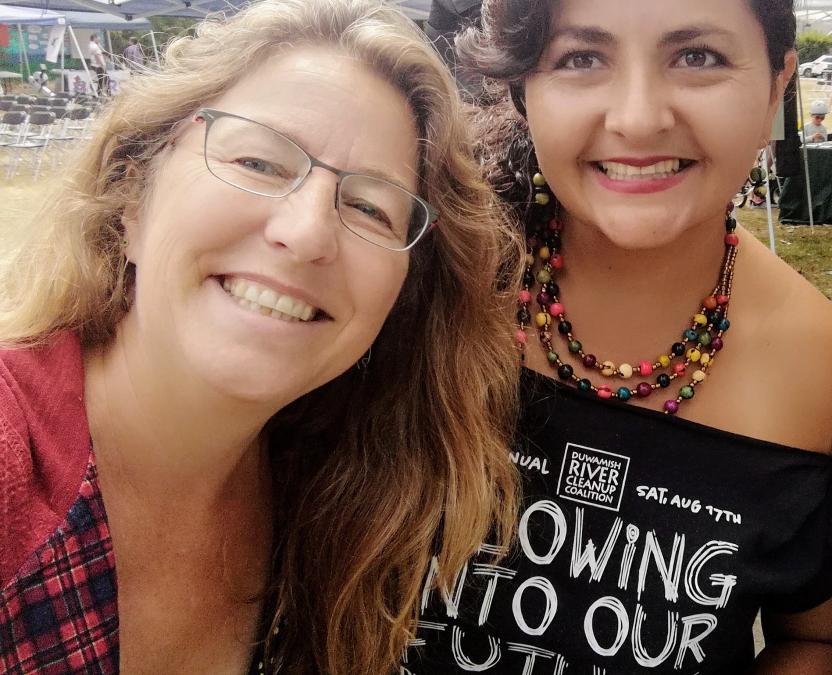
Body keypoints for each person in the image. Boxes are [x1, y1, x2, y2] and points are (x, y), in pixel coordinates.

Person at [0, 0, 522, 673]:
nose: (305, 233)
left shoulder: (343, 502)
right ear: (132, 193)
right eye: (259, 162)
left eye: (369, 206)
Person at [407, 0, 832, 672]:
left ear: (779, 84)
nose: (637, 118)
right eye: (582, 58)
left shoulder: (830, 378)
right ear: (522, 88)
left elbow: (821, 636)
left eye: (697, 57)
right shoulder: (424, 276)